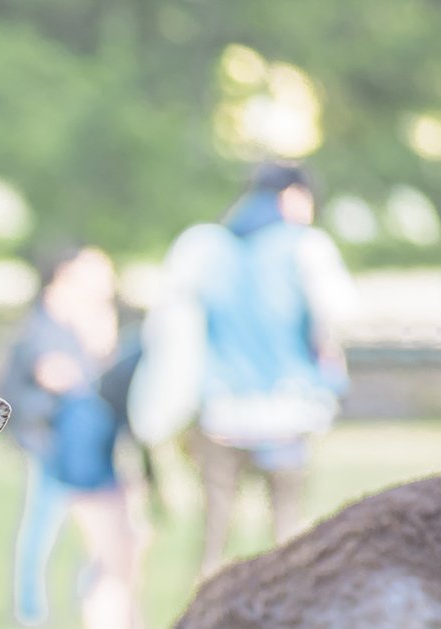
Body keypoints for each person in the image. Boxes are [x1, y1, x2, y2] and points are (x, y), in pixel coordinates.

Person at [132, 162, 355, 577]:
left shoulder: (205, 246)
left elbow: (171, 324)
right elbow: (340, 312)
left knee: (216, 533)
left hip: (221, 410)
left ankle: (203, 623)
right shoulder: (304, 246)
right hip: (287, 408)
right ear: (292, 197)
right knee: (287, 533)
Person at [0, 245, 150, 629]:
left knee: (124, 550)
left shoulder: (87, 323)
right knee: (98, 550)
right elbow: (60, 378)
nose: (106, 280)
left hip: (91, 447)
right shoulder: (47, 328)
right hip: (65, 447)